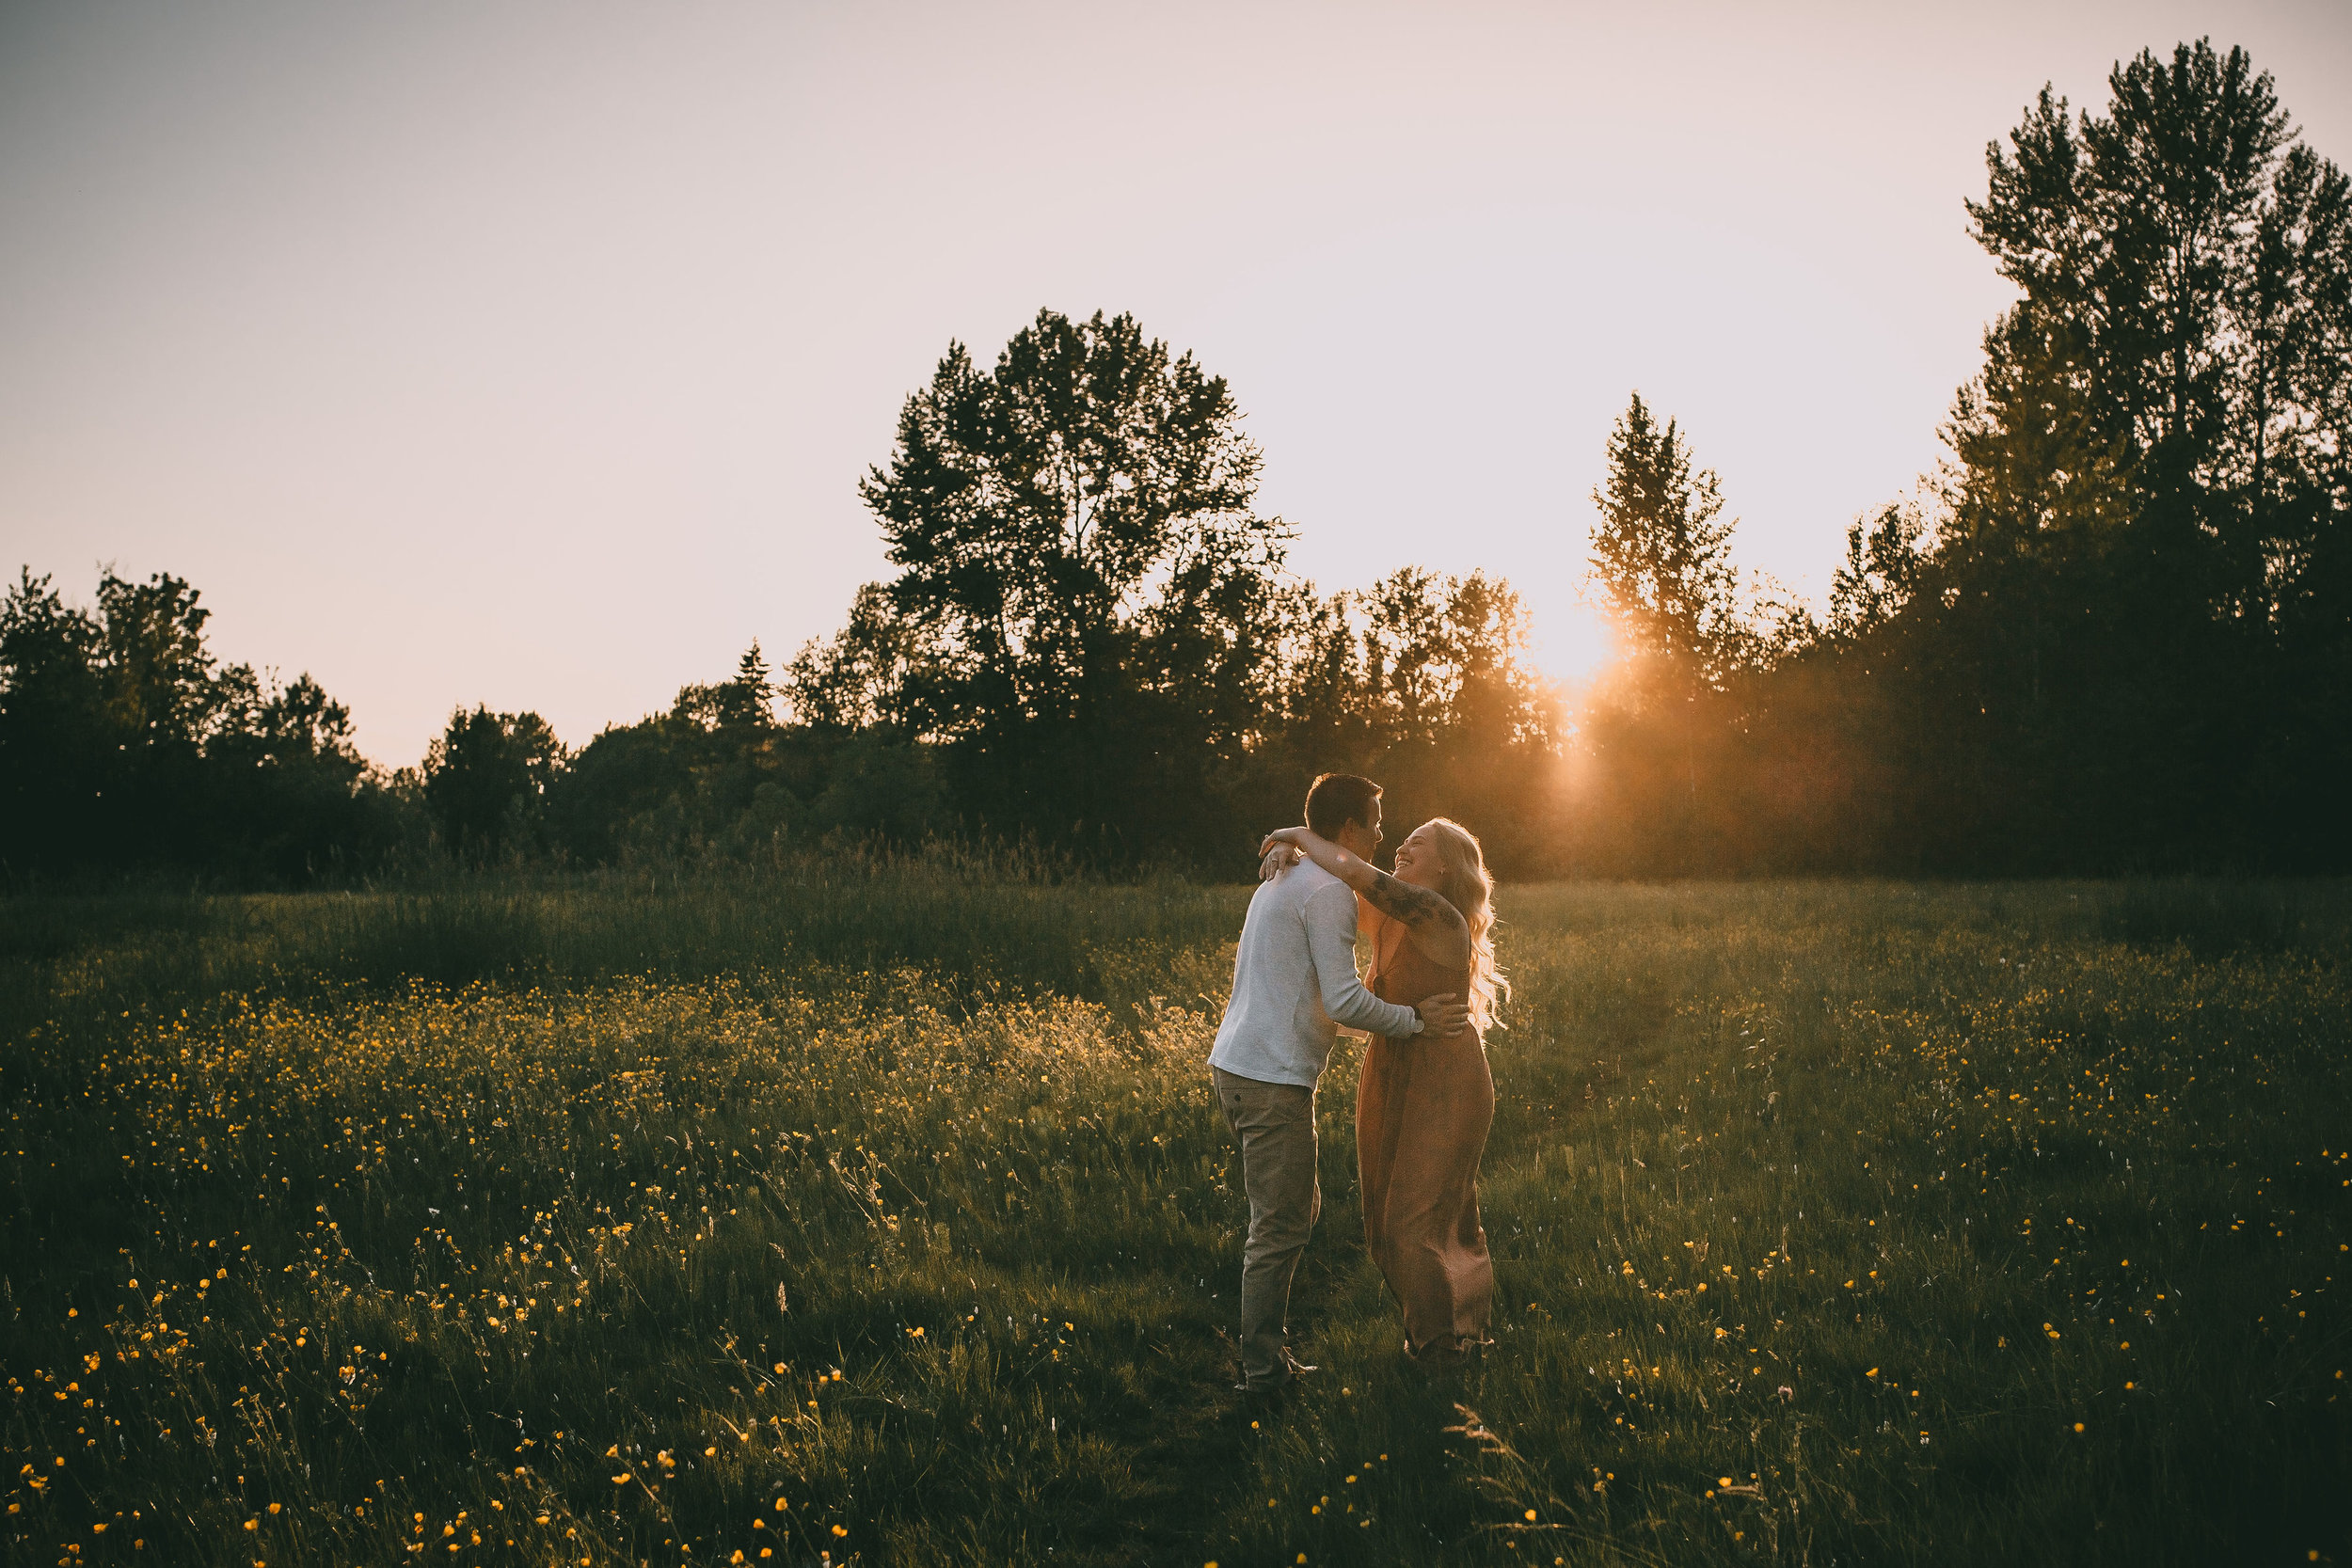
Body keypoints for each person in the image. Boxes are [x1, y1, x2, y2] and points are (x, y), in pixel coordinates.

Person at [1207, 772, 1470, 1399]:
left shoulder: (1285, 876)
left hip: (1244, 1066)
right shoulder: (1326, 890)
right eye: (1377, 819)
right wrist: (1413, 1022)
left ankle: (1268, 1357)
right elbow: (1346, 999)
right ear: (1350, 826)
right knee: (1279, 1226)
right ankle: (1265, 1374)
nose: (1382, 832)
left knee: (1294, 1212)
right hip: (1270, 1079)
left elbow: (1320, 1001)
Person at [1259, 810, 1503, 1374]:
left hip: (1446, 1080)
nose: (1400, 848)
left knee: (1416, 1222)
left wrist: (1294, 832)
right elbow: (1335, 879)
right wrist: (1287, 856)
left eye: (1416, 845)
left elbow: (1355, 870)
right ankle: (1436, 1335)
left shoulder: (1438, 916)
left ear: (1447, 868)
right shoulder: (1388, 916)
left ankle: (1445, 1351)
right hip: (1392, 1072)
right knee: (1384, 1219)